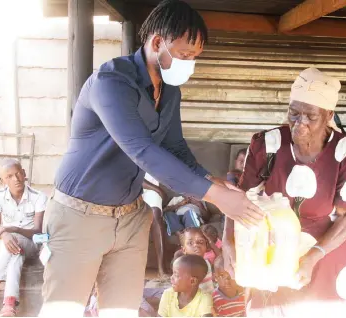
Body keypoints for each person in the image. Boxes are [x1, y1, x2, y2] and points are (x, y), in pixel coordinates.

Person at [40, 0, 263, 315]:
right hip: (80, 215)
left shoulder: (169, 91)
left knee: (122, 311)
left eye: (195, 57)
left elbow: (175, 146)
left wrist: (213, 181)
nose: (190, 64)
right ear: (157, 42)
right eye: (185, 55)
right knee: (63, 310)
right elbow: (142, 150)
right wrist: (215, 197)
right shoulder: (111, 83)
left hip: (131, 217)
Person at [223, 68, 346, 316]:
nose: (299, 122)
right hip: (272, 249)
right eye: (294, 113)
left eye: (310, 116)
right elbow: (239, 198)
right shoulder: (267, 145)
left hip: (328, 250)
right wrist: (229, 242)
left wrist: (313, 257)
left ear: (328, 115)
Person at [0, 159, 47, 317]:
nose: (15, 179)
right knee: (16, 253)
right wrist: (4, 233)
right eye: (9, 176)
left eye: (18, 174)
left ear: (24, 174)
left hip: (33, 243)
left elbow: (37, 231)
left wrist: (13, 229)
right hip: (10, 244)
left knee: (15, 241)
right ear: (3, 181)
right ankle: (9, 305)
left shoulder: (38, 196)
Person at [142, 174, 169, 277]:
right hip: (129, 189)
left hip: (150, 190)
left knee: (155, 214)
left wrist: (156, 190)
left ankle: (162, 267)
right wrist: (159, 190)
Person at [180, 228, 215, 293]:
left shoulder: (208, 263)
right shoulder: (183, 268)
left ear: (205, 245)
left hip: (209, 298)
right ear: (184, 250)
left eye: (201, 242)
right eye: (190, 243)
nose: (196, 245)